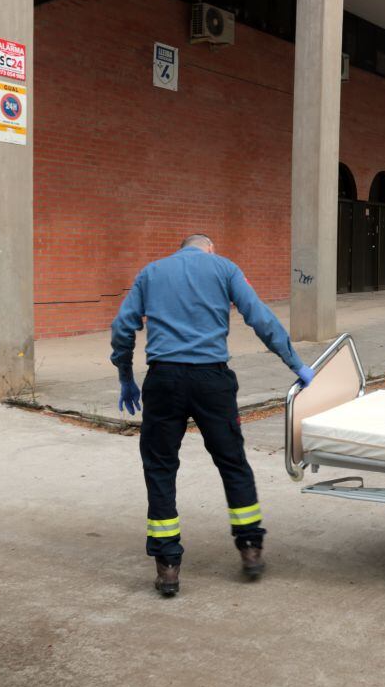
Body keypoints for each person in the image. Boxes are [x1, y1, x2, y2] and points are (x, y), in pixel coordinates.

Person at [111, 234, 315, 597]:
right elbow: (261, 319)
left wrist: (126, 377)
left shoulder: (151, 273)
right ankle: (250, 550)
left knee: (160, 467)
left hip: (164, 378)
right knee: (232, 461)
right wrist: (295, 363)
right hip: (212, 381)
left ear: (181, 248)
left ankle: (168, 566)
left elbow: (123, 327)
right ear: (210, 248)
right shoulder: (225, 268)